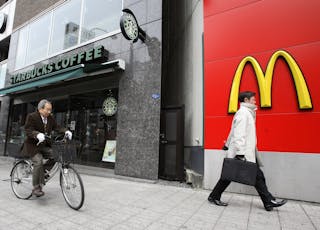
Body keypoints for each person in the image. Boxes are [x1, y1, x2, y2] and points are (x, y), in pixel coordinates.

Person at [208, 91, 287, 211]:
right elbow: (239, 133)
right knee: (241, 176)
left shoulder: (246, 113)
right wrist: (240, 153)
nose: (255, 102)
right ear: (246, 100)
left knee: (237, 176)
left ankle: (214, 196)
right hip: (242, 153)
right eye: (253, 100)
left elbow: (232, 130)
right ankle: (268, 201)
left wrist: (227, 144)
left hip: (245, 152)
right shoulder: (243, 114)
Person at [21, 99, 72, 197]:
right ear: (40, 109)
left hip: (43, 145)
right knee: (38, 161)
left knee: (56, 155)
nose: (49, 112)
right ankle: (36, 187)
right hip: (32, 146)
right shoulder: (32, 117)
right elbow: (28, 130)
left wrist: (66, 131)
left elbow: (57, 127)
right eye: (47, 110)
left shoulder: (50, 118)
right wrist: (37, 134)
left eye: (50, 110)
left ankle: (43, 171)